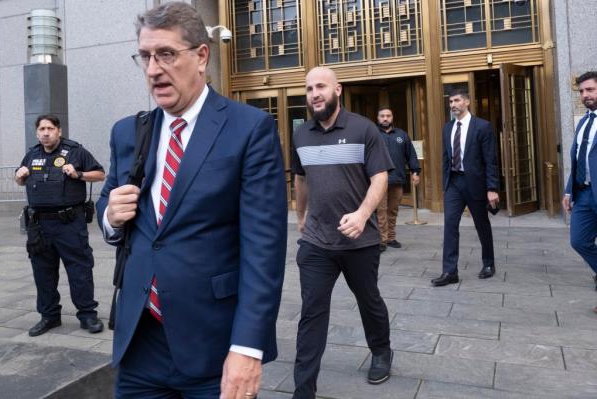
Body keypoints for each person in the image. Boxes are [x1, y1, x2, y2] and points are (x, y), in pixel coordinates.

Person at [96, 2, 287, 398]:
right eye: (145, 56)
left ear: (201, 56)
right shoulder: (128, 132)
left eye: (166, 54)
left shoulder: (249, 130)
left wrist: (247, 348)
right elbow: (109, 209)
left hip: (213, 344)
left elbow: (263, 251)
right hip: (139, 342)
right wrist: (111, 217)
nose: (153, 69)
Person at [292, 66, 394, 398]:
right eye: (308, 89)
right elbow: (302, 178)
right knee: (312, 313)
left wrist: (364, 214)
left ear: (338, 89)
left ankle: (381, 350)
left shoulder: (364, 129)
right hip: (316, 242)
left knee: (369, 300)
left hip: (359, 241)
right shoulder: (301, 134)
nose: (314, 94)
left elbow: (380, 177)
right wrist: (300, 215)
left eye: (320, 86)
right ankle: (303, 390)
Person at [14, 114, 105, 337]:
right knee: (43, 273)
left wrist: (79, 173)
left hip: (69, 223)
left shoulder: (75, 151)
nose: (45, 133)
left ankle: (87, 315)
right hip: (39, 225)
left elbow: (100, 174)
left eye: (50, 128)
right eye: (42, 129)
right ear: (37, 133)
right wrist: (19, 175)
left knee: (79, 270)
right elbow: (20, 179)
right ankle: (49, 316)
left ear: (59, 131)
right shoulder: (32, 154)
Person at [431, 88, 499, 287]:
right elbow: (446, 158)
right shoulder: (447, 128)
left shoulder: (482, 127)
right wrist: (445, 183)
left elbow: (490, 160)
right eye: (450, 101)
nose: (453, 105)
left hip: (475, 184)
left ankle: (489, 263)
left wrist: (492, 187)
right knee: (450, 225)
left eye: (457, 100)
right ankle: (450, 271)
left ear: (467, 102)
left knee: (482, 225)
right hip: (454, 183)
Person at [562, 71, 597, 312]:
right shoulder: (584, 121)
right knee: (579, 240)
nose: (585, 95)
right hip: (584, 193)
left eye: (590, 90)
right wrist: (568, 191)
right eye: (582, 91)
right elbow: (577, 158)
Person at [376, 107, 421, 252]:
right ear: (378, 118)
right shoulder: (372, 135)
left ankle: (391, 237)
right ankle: (381, 240)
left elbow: (411, 155)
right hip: (378, 180)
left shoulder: (402, 135)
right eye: (382, 116)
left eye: (388, 116)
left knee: (393, 210)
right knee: (380, 211)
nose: (385, 118)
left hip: (397, 179)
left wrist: (416, 172)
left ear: (392, 117)